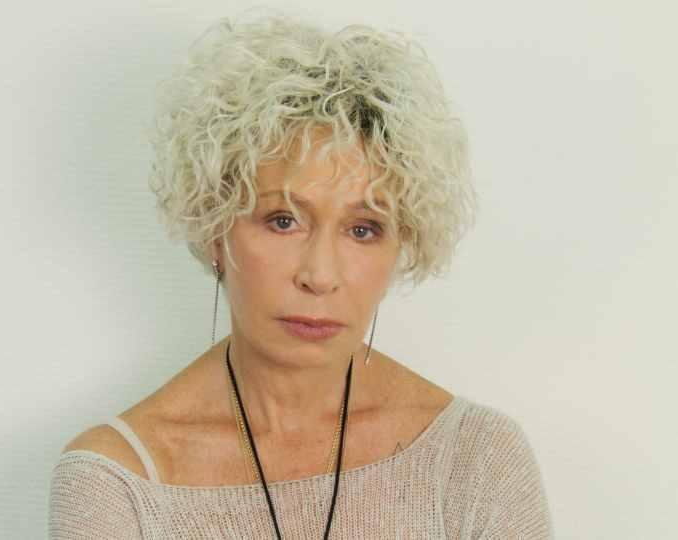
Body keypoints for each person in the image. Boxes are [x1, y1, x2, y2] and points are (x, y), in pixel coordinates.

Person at [48, 9, 554, 539]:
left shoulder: (476, 462)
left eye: (363, 229)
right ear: (214, 227)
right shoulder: (119, 483)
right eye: (283, 220)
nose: (320, 275)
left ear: (403, 243)